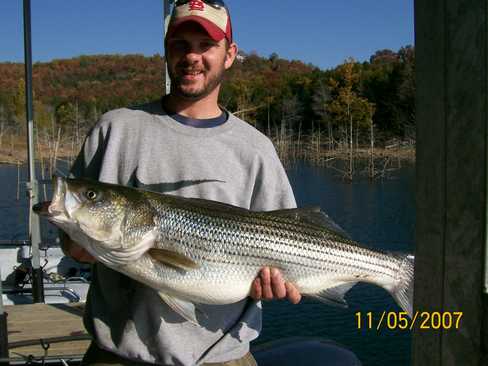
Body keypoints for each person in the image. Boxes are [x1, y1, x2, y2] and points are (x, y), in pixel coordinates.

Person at [62, 1, 301, 365]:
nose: (192, 56)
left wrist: (275, 284)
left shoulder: (256, 150)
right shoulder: (114, 129)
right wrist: (81, 240)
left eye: (206, 45)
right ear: (166, 51)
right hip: (117, 355)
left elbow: (290, 245)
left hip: (223, 358)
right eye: (180, 44)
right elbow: (70, 243)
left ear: (230, 54)